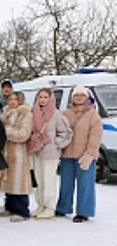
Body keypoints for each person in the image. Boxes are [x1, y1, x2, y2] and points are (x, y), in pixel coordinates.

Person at [56, 85, 102, 223]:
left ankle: (84, 211)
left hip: (85, 155)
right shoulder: (65, 113)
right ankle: (63, 207)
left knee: (85, 184)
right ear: (72, 97)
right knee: (66, 183)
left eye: (82, 95)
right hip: (67, 155)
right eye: (76, 95)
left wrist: (90, 153)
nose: (79, 98)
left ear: (87, 97)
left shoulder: (93, 115)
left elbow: (96, 136)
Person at [28, 88, 72, 220]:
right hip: (37, 151)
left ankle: (50, 207)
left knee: (49, 180)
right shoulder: (33, 112)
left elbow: (66, 133)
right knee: (39, 179)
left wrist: (55, 143)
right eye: (40, 97)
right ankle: (41, 204)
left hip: (50, 153)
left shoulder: (56, 114)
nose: (42, 100)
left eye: (45, 97)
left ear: (51, 99)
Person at [0, 92, 33, 222]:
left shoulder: (26, 114)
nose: (12, 101)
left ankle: (22, 210)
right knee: (9, 181)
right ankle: (10, 206)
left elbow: (24, 134)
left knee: (19, 181)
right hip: (6, 152)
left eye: (15, 99)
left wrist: (6, 131)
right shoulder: (5, 113)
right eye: (10, 99)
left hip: (19, 153)